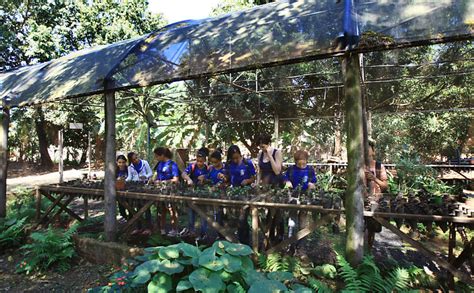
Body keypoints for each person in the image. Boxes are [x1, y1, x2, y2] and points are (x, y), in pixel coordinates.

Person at [256, 134, 284, 246]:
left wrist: (270, 155)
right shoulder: (260, 154)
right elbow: (260, 171)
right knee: (269, 210)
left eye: (263, 146)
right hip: (266, 186)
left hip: (277, 184)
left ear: (268, 144)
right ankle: (270, 235)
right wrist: (257, 183)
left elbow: (277, 171)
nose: (262, 149)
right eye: (260, 146)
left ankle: (281, 235)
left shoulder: (277, 152)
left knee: (278, 211)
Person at [283, 150, 317, 240]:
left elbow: (314, 182)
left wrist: (311, 185)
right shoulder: (291, 169)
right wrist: (287, 182)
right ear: (295, 162)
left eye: (303, 164)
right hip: (293, 196)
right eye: (299, 164)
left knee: (303, 218)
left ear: (306, 161)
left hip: (305, 196)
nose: (301, 166)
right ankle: (290, 241)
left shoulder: (310, 170)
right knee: (292, 217)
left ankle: (302, 242)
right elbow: (285, 179)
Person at [226, 145, 256, 245]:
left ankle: (245, 241)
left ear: (240, 154)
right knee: (235, 218)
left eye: (237, 157)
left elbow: (254, 178)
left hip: (246, 193)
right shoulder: (229, 164)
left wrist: (247, 180)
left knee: (242, 218)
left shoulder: (247, 163)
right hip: (234, 193)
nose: (235, 160)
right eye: (233, 158)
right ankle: (238, 240)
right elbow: (227, 177)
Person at [181, 147, 210, 238]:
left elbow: (211, 178)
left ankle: (203, 233)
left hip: (204, 194)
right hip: (193, 193)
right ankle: (191, 231)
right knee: (191, 212)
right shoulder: (192, 166)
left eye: (201, 161)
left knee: (203, 213)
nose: (199, 163)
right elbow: (183, 174)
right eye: (198, 161)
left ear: (205, 160)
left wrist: (205, 178)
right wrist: (189, 179)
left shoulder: (208, 168)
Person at [365, 140, 388, 249]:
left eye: (368, 148)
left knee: (372, 228)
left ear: (373, 151)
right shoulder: (358, 166)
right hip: (360, 201)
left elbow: (385, 186)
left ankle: (369, 251)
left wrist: (374, 178)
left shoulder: (379, 166)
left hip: (375, 200)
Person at [153, 147, 180, 236]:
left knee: (171, 209)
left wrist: (164, 182)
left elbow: (176, 179)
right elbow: (157, 175)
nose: (156, 158)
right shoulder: (159, 164)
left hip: (170, 190)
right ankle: (162, 228)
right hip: (160, 190)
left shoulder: (173, 165)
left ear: (162, 155)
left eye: (157, 156)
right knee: (161, 210)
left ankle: (174, 229)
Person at [116, 155, 129, 220]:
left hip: (128, 191)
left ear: (125, 162)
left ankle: (131, 219)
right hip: (119, 191)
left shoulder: (129, 169)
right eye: (119, 162)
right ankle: (124, 217)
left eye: (123, 162)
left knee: (130, 205)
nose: (121, 164)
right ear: (117, 162)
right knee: (121, 206)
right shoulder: (115, 170)